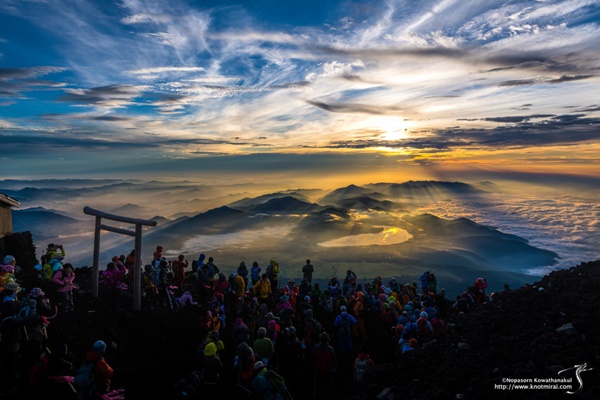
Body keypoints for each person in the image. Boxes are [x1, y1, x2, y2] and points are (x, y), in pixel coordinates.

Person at [313, 332, 337, 400]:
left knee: (319, 386)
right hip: (328, 370)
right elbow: (334, 360)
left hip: (318, 370)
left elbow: (312, 358)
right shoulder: (330, 349)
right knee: (328, 388)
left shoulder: (316, 347)